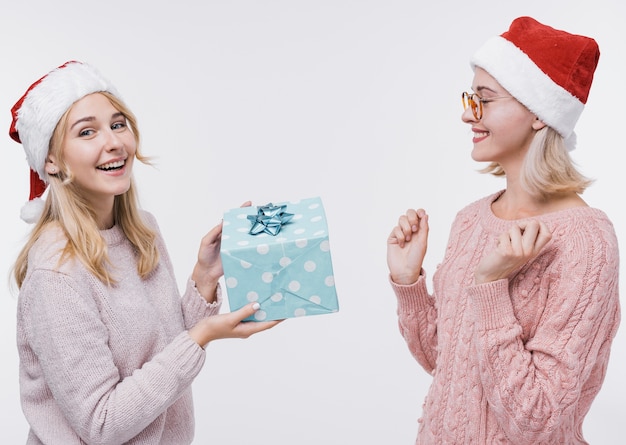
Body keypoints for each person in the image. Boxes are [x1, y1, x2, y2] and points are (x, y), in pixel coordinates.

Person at [10, 60, 281, 444]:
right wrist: (202, 336)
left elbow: (162, 349)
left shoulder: (143, 231)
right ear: (51, 161)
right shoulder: (56, 275)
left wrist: (204, 278)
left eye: (117, 124)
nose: (114, 142)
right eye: (87, 132)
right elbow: (101, 424)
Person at [386, 16, 620, 444]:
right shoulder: (471, 219)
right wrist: (408, 283)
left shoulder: (587, 241)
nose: (466, 114)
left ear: (538, 114)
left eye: (485, 100)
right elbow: (450, 364)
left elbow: (538, 420)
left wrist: (491, 285)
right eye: (470, 97)